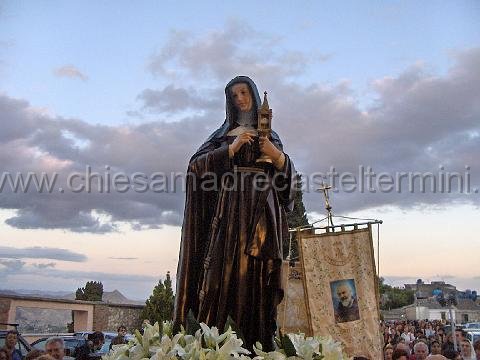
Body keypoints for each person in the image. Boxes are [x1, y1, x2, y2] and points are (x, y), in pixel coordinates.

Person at [174, 76, 296, 351]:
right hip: (228, 220)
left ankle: (257, 346)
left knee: (257, 283)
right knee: (218, 279)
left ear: (252, 95)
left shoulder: (270, 137)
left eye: (243, 92)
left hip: (262, 219)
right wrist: (230, 149)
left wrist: (276, 156)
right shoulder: (222, 136)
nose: (240, 99)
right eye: (233, 95)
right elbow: (195, 168)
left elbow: (289, 185)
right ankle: (214, 346)